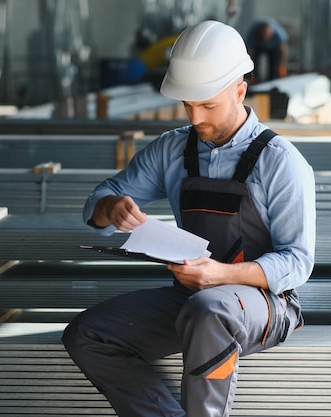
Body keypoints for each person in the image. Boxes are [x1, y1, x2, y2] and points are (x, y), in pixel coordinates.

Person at [62, 20, 315, 417]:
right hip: (197, 298)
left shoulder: (280, 162)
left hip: (268, 304)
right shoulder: (171, 149)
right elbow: (99, 198)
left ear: (240, 89)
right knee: (88, 335)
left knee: (208, 311)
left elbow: (298, 262)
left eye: (208, 104)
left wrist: (220, 275)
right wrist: (110, 209)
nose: (196, 118)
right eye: (187, 104)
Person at [245, 17, 288, 82]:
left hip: (273, 48)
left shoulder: (279, 34)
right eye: (264, 35)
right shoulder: (253, 33)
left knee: (274, 64)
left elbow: (282, 50)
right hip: (258, 46)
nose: (265, 38)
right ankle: (255, 79)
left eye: (267, 36)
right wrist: (250, 70)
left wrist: (281, 65)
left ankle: (273, 80)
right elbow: (250, 51)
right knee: (254, 63)